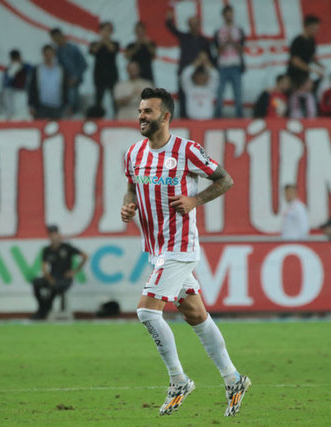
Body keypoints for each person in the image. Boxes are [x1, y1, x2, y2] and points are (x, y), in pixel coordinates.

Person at [121, 87, 250, 417]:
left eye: (148, 111)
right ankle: (234, 379)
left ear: (165, 116)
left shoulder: (187, 150)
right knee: (195, 314)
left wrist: (195, 200)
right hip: (156, 249)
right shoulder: (134, 153)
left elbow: (225, 180)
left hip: (179, 247)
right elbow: (132, 186)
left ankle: (178, 380)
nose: (141, 116)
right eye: (140, 111)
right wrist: (128, 205)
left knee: (147, 312)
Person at [30, 225, 88, 320]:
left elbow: (85, 256)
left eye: (55, 234)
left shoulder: (67, 248)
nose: (53, 236)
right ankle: (42, 308)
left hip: (65, 279)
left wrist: (75, 271)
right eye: (51, 234)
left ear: (58, 235)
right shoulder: (47, 250)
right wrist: (49, 278)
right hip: (52, 277)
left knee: (54, 287)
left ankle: (43, 311)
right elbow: (44, 267)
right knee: (36, 283)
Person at [166, 10, 211, 118]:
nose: (194, 26)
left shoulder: (204, 41)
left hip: (198, 76)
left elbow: (209, 57)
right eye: (191, 24)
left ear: (199, 25)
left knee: (198, 99)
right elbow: (172, 29)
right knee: (183, 99)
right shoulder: (184, 37)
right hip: (184, 73)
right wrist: (169, 20)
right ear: (189, 26)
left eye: (196, 24)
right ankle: (184, 121)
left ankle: (200, 119)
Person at [213, 4, 245, 118]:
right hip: (222, 66)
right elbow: (217, 50)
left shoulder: (239, 29)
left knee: (238, 94)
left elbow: (242, 49)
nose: (229, 16)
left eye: (230, 14)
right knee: (220, 93)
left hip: (235, 65)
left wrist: (233, 42)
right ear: (223, 15)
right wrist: (227, 42)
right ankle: (217, 117)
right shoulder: (219, 30)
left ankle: (239, 117)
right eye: (227, 14)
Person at [50, 28, 87, 116]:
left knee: (72, 98)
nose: (56, 40)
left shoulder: (73, 49)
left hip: (73, 81)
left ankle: (74, 115)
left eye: (57, 38)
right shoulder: (56, 51)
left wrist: (75, 76)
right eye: (54, 39)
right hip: (61, 82)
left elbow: (83, 64)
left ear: (61, 36)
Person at [28, 44, 68, 120]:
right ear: (43, 55)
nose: (48, 56)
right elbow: (31, 88)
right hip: (41, 107)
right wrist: (31, 105)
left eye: (50, 54)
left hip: (58, 107)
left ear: (54, 55)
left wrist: (66, 104)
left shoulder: (60, 69)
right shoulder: (38, 69)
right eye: (46, 54)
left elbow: (65, 87)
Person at [89, 22, 120, 115]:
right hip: (99, 75)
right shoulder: (95, 43)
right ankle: (98, 117)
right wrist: (101, 41)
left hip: (112, 75)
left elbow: (112, 49)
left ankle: (116, 117)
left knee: (114, 98)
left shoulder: (115, 43)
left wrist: (106, 41)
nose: (106, 32)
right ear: (100, 31)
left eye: (108, 30)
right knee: (98, 99)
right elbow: (93, 51)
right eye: (104, 30)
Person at [179, 51, 218, 120]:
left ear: (207, 78)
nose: (201, 78)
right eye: (199, 76)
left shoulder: (210, 89)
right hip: (192, 121)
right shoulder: (189, 88)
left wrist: (206, 62)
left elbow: (215, 75)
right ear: (194, 77)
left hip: (208, 122)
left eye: (203, 76)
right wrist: (198, 62)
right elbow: (185, 75)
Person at [287, 15, 323, 89]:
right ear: (306, 27)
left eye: (317, 29)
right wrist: (312, 70)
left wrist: (320, 65)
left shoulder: (312, 40)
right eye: (314, 29)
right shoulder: (297, 41)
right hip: (294, 76)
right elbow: (295, 61)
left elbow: (311, 56)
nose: (316, 31)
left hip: (305, 75)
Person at [1, 49, 32, 120]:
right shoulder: (9, 69)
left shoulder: (26, 67)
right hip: (13, 95)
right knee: (14, 115)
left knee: (24, 114)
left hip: (24, 94)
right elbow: (6, 87)